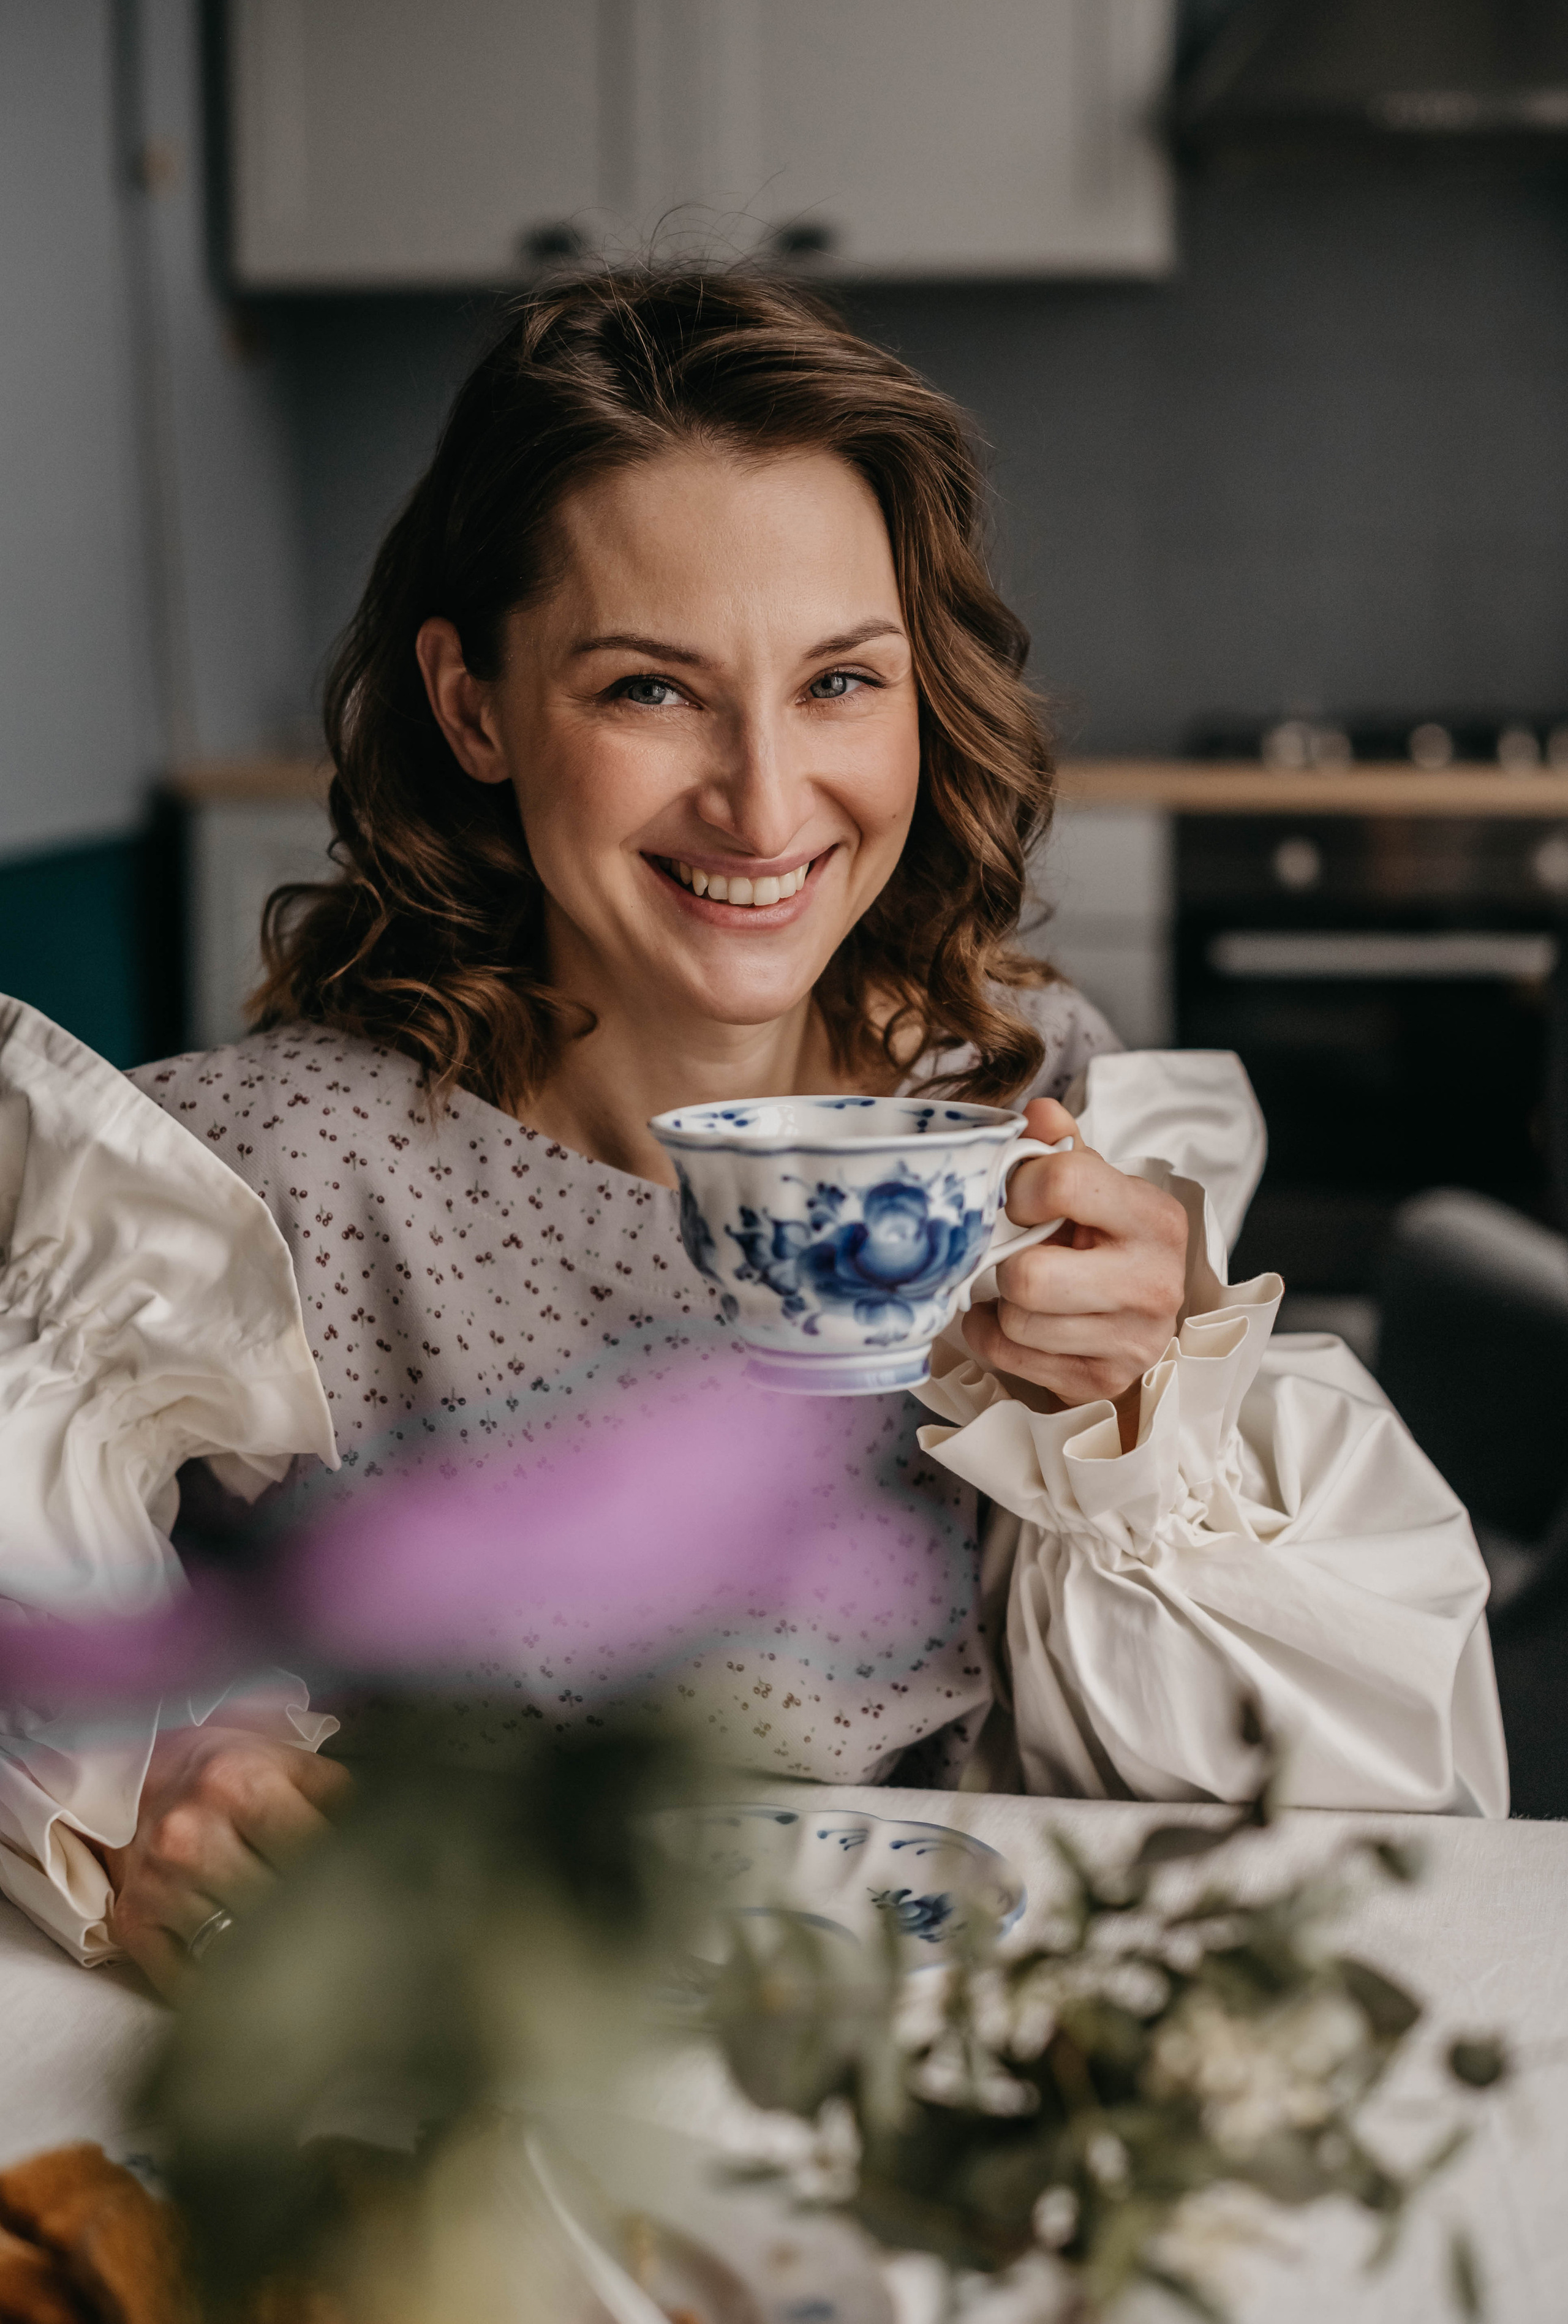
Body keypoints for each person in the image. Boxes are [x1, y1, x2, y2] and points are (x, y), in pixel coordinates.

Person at [0, 268, 1506, 1990]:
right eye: (650, 690)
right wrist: (161, 1765)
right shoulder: (267, 1178)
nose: (769, 802)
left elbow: (1311, 1795)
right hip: (476, 2077)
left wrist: (1156, 1417)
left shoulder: (1025, 1101)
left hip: (938, 2039)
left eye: (841, 684)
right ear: (474, 703)